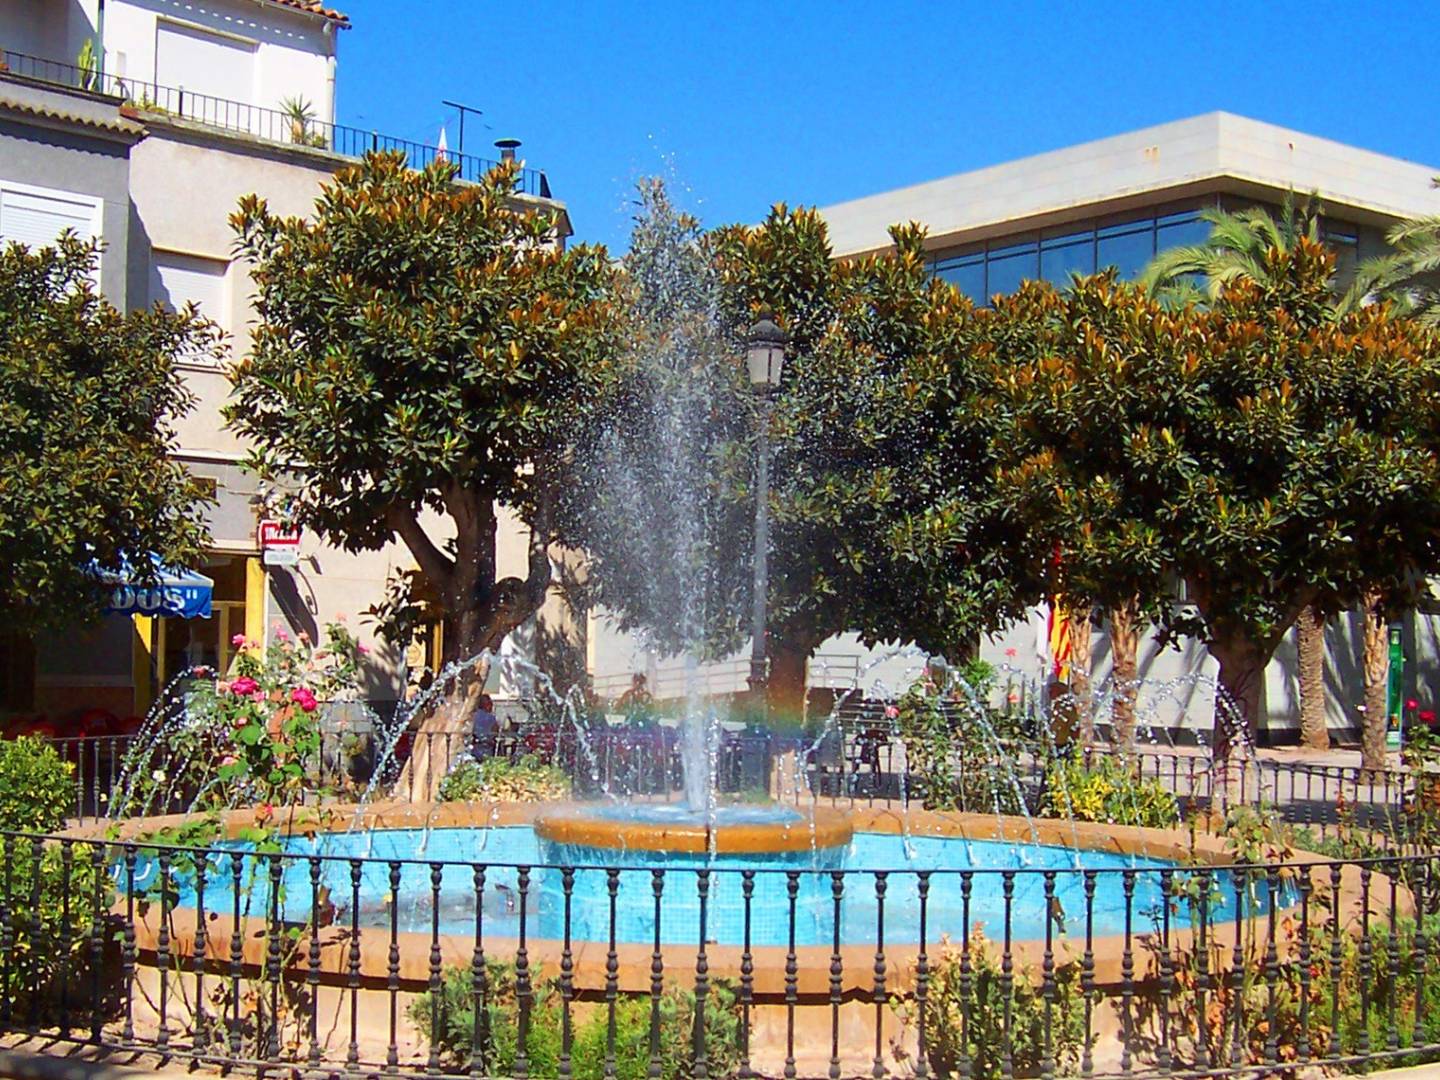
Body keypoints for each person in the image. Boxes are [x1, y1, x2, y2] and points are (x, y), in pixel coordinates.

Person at [472, 693, 498, 758]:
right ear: (487, 705)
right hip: (487, 748)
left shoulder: (472, 716)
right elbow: (495, 731)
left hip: (474, 748)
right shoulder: (491, 717)